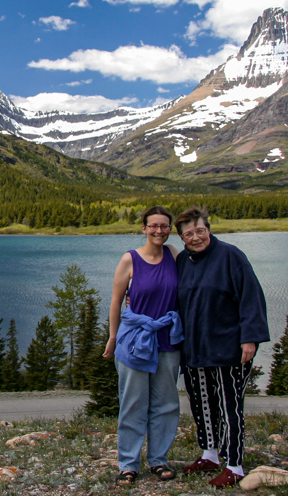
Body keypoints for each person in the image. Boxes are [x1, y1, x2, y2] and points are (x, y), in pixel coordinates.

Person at [174, 206, 269, 489]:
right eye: (188, 233)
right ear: (182, 238)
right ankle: (210, 454)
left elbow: (251, 298)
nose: (196, 237)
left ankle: (235, 464)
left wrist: (249, 338)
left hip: (228, 346)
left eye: (200, 230)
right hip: (194, 348)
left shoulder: (231, 256)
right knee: (202, 403)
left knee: (230, 408)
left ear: (209, 230)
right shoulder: (183, 262)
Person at [103, 205, 184, 486]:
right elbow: (116, 301)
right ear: (144, 228)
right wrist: (113, 337)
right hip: (135, 341)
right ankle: (128, 463)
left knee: (165, 403)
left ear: (169, 228)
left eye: (164, 226)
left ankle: (159, 460)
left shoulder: (175, 255)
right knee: (133, 403)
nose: (159, 231)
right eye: (154, 226)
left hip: (167, 340)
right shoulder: (130, 259)